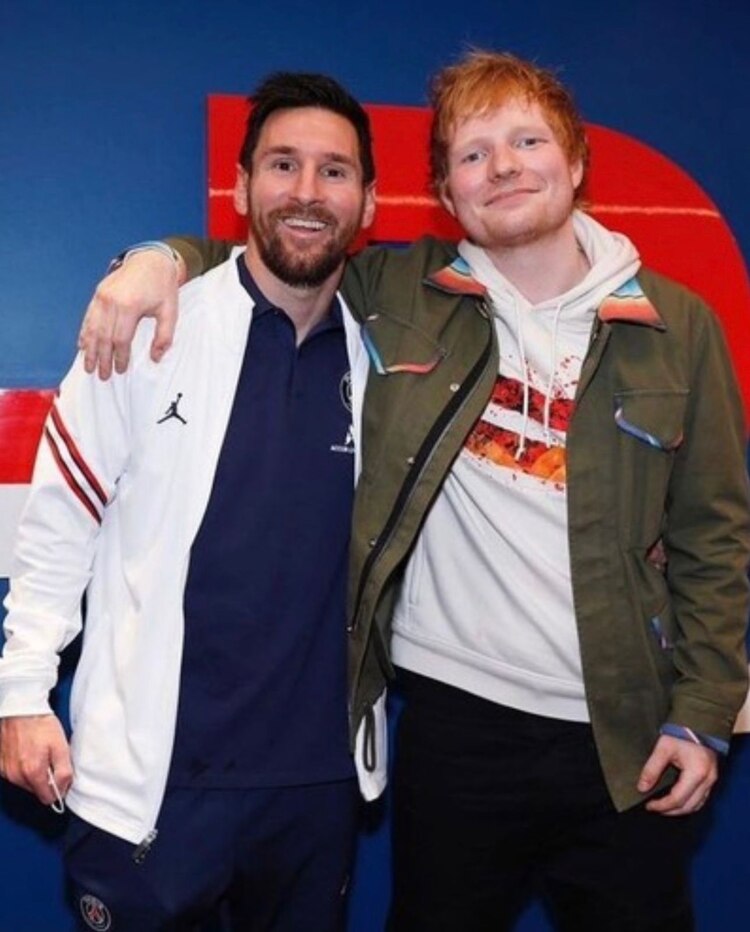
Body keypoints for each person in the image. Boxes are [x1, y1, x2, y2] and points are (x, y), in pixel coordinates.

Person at [76, 51, 750, 931]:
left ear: (577, 162)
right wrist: (155, 259)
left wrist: (702, 713)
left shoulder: (678, 323)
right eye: (473, 154)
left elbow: (715, 537)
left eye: (527, 140)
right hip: (454, 730)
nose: (502, 166)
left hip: (625, 736)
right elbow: (273, 251)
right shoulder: (400, 288)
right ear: (444, 190)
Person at [0, 71, 377, 931]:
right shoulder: (147, 330)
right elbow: (60, 521)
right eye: (282, 165)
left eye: (334, 170)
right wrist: (20, 695)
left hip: (316, 792)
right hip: (153, 786)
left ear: (369, 202)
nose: (307, 193)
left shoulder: (392, 355)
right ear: (241, 186)